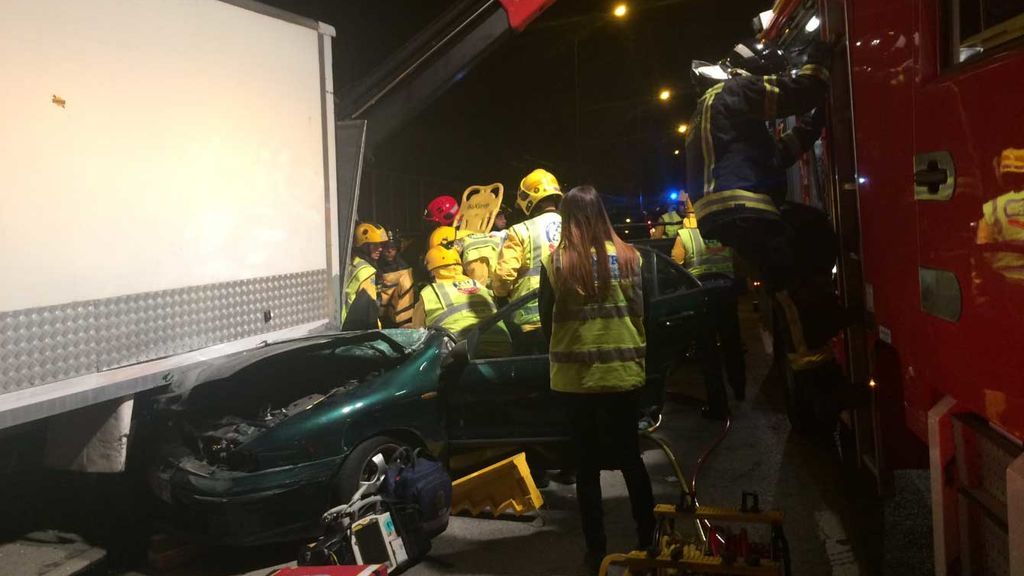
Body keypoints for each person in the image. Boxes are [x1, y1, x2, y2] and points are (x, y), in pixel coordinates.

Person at [686, 39, 843, 403]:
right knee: (791, 285)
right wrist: (817, 61)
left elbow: (776, 156)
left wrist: (812, 125)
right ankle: (818, 379)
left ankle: (821, 316)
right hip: (744, 205)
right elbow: (801, 92)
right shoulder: (735, 90)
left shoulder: (710, 111)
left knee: (811, 230)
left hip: (727, 210)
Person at [539, 185, 655, 575]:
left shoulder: (556, 263)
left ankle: (596, 550)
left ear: (568, 218)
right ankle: (648, 539)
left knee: (586, 467)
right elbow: (645, 311)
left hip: (576, 380)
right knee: (630, 459)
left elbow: (545, 323)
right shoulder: (631, 257)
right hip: (623, 374)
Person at [672, 202, 746, 411]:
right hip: (726, 291)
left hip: (702, 294)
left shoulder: (685, 235)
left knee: (708, 350)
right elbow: (738, 262)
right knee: (732, 343)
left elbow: (676, 265)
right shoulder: (722, 231)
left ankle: (718, 404)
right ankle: (739, 389)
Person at [494, 168, 563, 335]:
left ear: (529, 199)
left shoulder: (520, 230)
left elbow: (504, 276)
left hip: (533, 321)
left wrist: (499, 293)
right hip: (568, 318)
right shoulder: (573, 226)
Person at [412, 245, 509, 355]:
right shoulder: (479, 286)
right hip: (503, 345)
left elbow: (417, 335)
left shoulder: (429, 292)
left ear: (430, 271)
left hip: (460, 353)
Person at [342, 222, 387, 331]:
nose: (380, 248)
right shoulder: (367, 272)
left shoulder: (352, 263)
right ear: (364, 247)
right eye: (375, 245)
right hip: (359, 330)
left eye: (381, 244)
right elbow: (370, 311)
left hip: (345, 325)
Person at [377, 231, 417, 328]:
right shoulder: (374, 268)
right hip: (379, 316)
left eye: (393, 248)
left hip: (400, 319)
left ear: (397, 249)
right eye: (386, 247)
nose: (389, 251)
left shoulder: (405, 269)